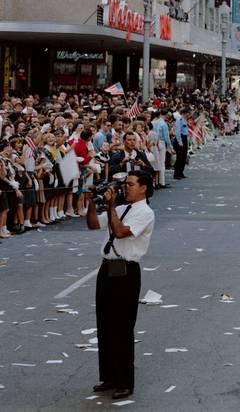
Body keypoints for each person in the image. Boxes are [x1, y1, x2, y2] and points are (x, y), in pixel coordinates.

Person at [86, 169, 155, 400]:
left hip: (126, 271)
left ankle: (125, 381)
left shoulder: (145, 212)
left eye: (131, 184)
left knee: (122, 327)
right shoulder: (121, 208)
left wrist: (112, 204)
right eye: (125, 184)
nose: (127, 187)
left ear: (143, 187)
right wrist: (93, 203)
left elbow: (120, 231)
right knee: (104, 324)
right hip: (108, 268)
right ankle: (109, 376)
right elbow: (94, 224)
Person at [172, 109, 190, 180]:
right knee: (179, 157)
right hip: (180, 138)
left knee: (184, 156)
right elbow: (177, 131)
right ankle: (176, 173)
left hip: (185, 137)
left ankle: (181, 172)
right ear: (185, 113)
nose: (189, 114)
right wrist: (179, 141)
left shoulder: (185, 120)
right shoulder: (179, 120)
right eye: (188, 113)